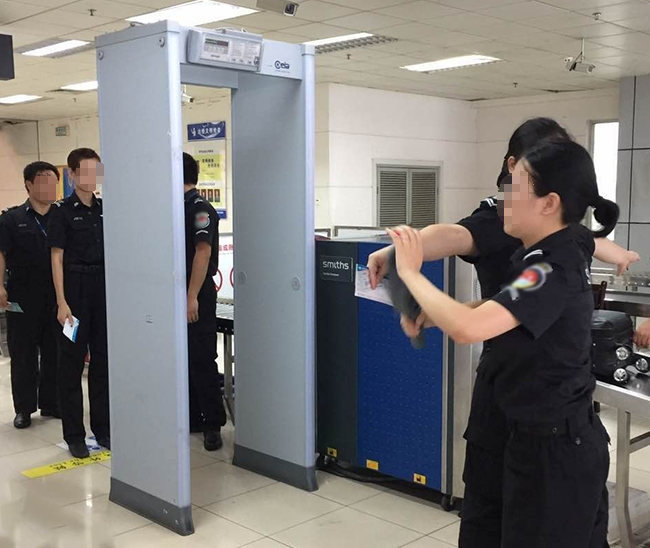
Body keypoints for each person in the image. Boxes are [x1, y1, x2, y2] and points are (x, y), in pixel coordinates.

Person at [367, 117, 631, 548]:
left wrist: (411, 272)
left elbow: (469, 328)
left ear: (548, 203)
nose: (504, 196)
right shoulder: (546, 254)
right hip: (523, 431)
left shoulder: (549, 268)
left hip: (554, 449)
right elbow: (501, 310)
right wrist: (434, 314)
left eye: (516, 187)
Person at [48, 148, 109, 459]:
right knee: (71, 364)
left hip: (102, 290)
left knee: (103, 362)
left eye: (96, 170)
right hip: (74, 291)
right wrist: (62, 302)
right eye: (85, 171)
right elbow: (56, 258)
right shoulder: (61, 212)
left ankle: (103, 428)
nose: (92, 177)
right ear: (72, 175)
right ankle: (74, 434)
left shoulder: (105, 209)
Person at [0, 162, 60, 429]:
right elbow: (1, 254)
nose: (49, 186)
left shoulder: (61, 216)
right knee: (23, 353)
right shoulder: (11, 219)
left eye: (52, 181)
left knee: (54, 350)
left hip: (56, 295)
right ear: (28, 184)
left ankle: (51, 403)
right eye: (43, 180)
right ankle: (24, 409)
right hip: (22, 295)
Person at [183, 152, 227, 451]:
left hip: (196, 291)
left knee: (201, 358)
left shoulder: (199, 208)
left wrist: (191, 296)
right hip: (179, 289)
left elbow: (203, 252)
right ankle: (191, 417)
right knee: (183, 359)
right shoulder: (176, 206)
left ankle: (212, 423)